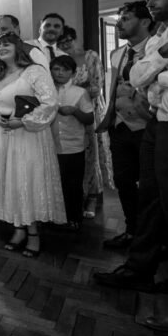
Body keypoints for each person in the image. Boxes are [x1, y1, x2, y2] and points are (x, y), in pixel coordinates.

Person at [94, 0, 168, 299]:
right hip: (144, 123)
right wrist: (163, 61)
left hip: (155, 122)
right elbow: (135, 78)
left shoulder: (155, 39)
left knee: (163, 196)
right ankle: (139, 261)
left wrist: (158, 76)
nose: (151, 3)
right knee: (142, 191)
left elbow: (149, 79)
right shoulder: (158, 40)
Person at [0, 32, 65, 257]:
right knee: (8, 181)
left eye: (6, 44)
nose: (1, 48)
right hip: (0, 136)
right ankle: (18, 230)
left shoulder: (35, 72)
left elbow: (50, 103)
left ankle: (33, 234)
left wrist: (24, 121)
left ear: (19, 47)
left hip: (27, 137)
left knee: (24, 180)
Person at [96, 1, 153, 249]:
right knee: (123, 181)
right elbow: (114, 87)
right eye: (119, 18)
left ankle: (154, 238)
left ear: (145, 21)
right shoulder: (117, 53)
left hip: (149, 126)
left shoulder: (158, 49)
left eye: (126, 18)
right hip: (119, 126)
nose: (119, 23)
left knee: (152, 186)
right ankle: (132, 230)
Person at [57, 25, 113, 219]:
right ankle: (73, 197)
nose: (65, 45)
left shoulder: (90, 56)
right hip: (64, 111)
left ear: (74, 38)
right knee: (70, 154)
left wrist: (77, 91)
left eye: (68, 40)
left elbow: (97, 86)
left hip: (90, 107)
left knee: (91, 153)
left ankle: (92, 196)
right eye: (61, 42)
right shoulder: (58, 60)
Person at [51, 55, 94, 229]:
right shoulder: (46, 91)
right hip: (50, 145)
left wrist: (75, 111)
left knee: (73, 184)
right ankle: (54, 217)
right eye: (56, 69)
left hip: (73, 146)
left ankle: (74, 217)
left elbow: (90, 118)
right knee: (53, 182)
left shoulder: (79, 92)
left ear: (73, 73)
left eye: (65, 69)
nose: (60, 73)